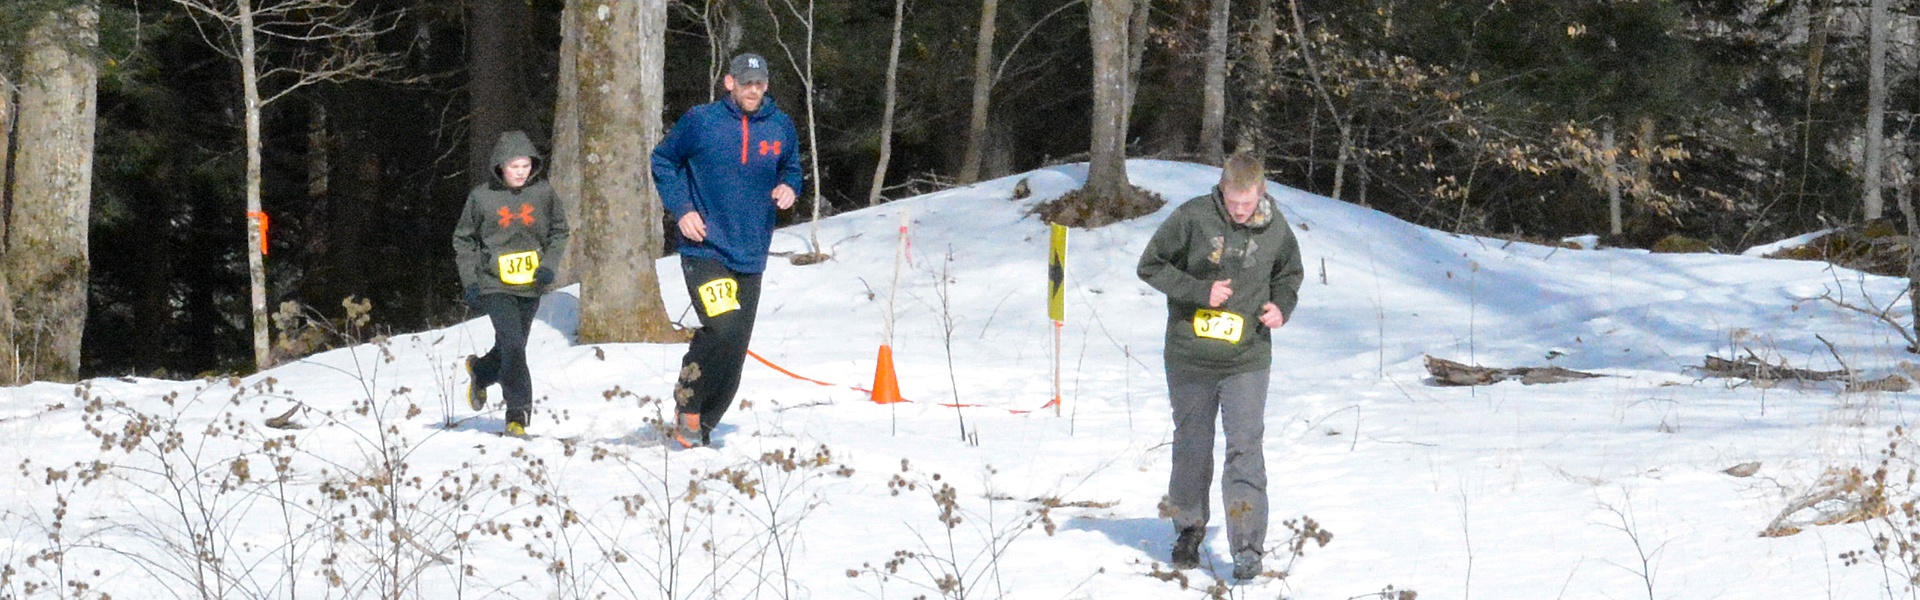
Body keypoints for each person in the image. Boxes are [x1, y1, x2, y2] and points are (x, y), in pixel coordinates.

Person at [1136, 152, 1304, 580]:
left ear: (1260, 192)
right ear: (1222, 189)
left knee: (1245, 448)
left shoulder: (1276, 228)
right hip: (1190, 355)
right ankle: (1188, 529)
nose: (1240, 211)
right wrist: (1198, 290)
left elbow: (1289, 274)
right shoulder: (1192, 217)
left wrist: (1281, 308)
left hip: (1247, 358)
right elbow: (1150, 265)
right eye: (1233, 203)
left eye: (1247, 204)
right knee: (1191, 444)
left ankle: (1247, 547)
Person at [651, 52, 803, 449]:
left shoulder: (781, 126)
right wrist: (682, 210)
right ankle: (688, 402)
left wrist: (790, 186)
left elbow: (792, 168)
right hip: (704, 248)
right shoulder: (702, 122)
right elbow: (663, 160)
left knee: (735, 347)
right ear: (729, 83)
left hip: (751, 250)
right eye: (745, 82)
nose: (753, 89)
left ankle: (702, 426)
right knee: (724, 325)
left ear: (766, 86)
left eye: (759, 83)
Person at [453, 130, 570, 438]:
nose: (520, 172)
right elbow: (463, 239)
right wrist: (471, 282)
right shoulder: (481, 197)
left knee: (511, 347)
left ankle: (481, 371)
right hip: (494, 284)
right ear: (500, 166)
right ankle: (516, 415)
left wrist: (548, 266)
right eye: (514, 166)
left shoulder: (543, 193)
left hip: (531, 285)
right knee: (515, 345)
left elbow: (560, 231)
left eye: (525, 166)